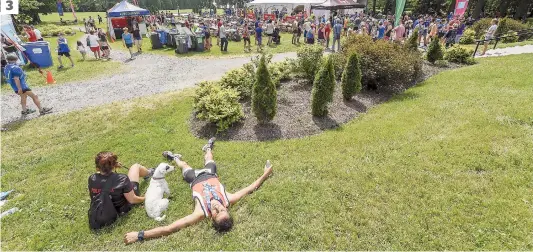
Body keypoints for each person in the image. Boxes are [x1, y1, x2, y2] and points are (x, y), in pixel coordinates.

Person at [123, 138, 274, 244]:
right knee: (209, 158)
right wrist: (265, 174)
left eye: (216, 213)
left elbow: (170, 228)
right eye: (222, 210)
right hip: (210, 173)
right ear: (227, 210)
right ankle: (208, 147)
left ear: (211, 219)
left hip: (193, 177)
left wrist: (140, 235)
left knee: (184, 165)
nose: (218, 208)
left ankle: (173, 157)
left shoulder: (200, 212)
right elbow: (250, 188)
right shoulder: (228, 200)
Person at [89, 152, 153, 225]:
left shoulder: (92, 178)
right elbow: (132, 200)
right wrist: (145, 198)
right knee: (135, 167)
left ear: (97, 168)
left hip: (103, 208)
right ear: (113, 166)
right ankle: (149, 173)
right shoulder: (121, 179)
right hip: (122, 209)